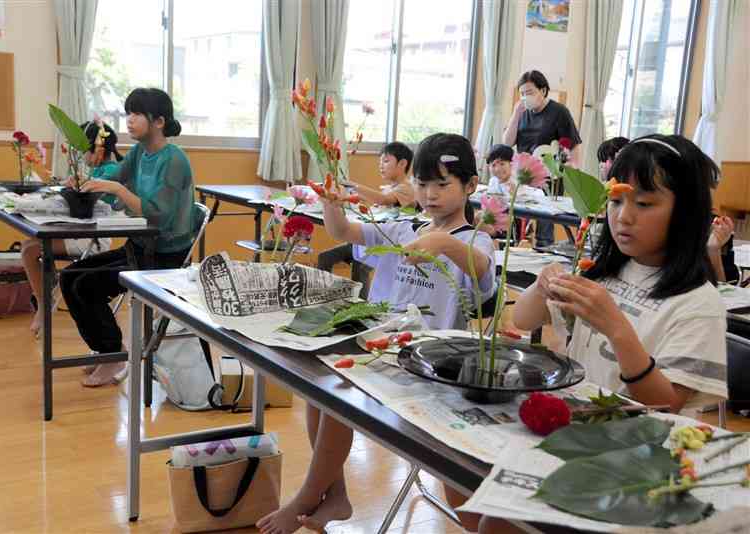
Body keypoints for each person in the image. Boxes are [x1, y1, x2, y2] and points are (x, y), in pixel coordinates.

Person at [474, 135, 729, 533]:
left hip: (641, 456)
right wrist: (542, 288)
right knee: (472, 484)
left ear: (685, 213)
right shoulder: (605, 271)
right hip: (579, 434)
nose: (624, 216)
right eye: (615, 200)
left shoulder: (698, 303)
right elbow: (523, 321)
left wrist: (616, 328)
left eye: (644, 203)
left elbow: (667, 404)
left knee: (498, 521)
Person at [256, 133, 496, 534]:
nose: (430, 194)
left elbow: (483, 270)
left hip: (426, 361)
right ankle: (334, 495)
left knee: (340, 387)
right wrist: (332, 204)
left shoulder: (474, 240)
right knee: (320, 389)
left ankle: (307, 496)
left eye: (442, 185)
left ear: (470, 186)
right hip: (380, 345)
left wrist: (441, 243)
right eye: (422, 185)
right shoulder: (401, 228)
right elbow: (344, 232)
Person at [60, 88, 197, 387]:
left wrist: (117, 190)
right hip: (141, 247)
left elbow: (158, 216)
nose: (129, 120)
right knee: (70, 277)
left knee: (86, 285)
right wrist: (92, 176)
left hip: (165, 257)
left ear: (159, 121)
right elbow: (117, 172)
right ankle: (107, 351)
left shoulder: (174, 160)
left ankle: (112, 356)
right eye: (128, 114)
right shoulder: (139, 153)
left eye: (136, 114)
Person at [21, 120, 121, 337]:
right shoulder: (98, 169)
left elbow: (92, 200)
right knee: (28, 246)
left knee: (30, 250)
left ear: (96, 148)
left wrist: (77, 186)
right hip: (79, 231)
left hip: (93, 239)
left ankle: (44, 303)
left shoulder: (111, 171)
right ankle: (44, 298)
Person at [317, 142, 416, 298]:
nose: (381, 166)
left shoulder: (406, 188)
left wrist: (352, 186)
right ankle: (324, 299)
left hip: (386, 245)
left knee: (360, 265)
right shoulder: (388, 188)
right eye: (379, 162)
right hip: (367, 239)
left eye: (386, 161)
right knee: (325, 257)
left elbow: (384, 200)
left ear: (403, 163)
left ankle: (360, 307)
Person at [503, 70, 582, 248]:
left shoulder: (559, 112)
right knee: (516, 221)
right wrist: (516, 114)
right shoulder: (522, 112)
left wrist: (572, 170)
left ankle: (543, 252)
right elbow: (507, 142)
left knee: (543, 226)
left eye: (530, 92)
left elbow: (573, 144)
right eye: (522, 93)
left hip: (548, 176)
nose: (525, 97)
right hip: (522, 175)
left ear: (543, 91)